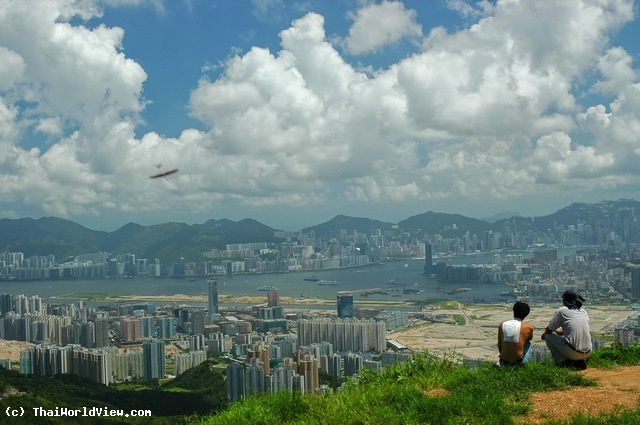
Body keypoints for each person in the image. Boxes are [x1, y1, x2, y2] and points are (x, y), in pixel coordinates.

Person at [541, 289, 592, 370]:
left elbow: (549, 330)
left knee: (548, 337)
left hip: (572, 352)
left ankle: (562, 362)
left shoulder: (562, 311)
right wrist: (559, 332)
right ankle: (579, 361)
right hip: (588, 352)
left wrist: (543, 335)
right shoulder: (583, 312)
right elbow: (575, 329)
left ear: (565, 301)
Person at [498, 301, 534, 366]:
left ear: (513, 311)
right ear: (526, 314)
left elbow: (500, 345)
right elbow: (530, 338)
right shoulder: (528, 327)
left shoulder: (502, 325)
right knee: (528, 343)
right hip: (519, 362)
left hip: (503, 362)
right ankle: (526, 365)